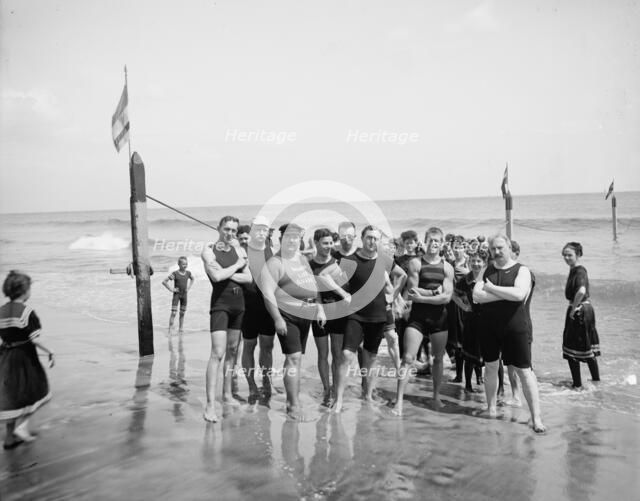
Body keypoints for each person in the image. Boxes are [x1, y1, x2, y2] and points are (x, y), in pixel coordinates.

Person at [473, 234, 545, 433]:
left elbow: (519, 294)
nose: (496, 252)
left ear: (509, 247)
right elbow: (477, 296)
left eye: (500, 248)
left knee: (524, 371)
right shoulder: (487, 269)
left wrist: (493, 288)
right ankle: (491, 408)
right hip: (489, 326)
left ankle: (535, 417)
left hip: (515, 327)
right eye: (493, 249)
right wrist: (504, 293)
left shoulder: (522, 270)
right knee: (490, 367)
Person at [261, 223, 326, 420]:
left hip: (306, 314)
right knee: (293, 358)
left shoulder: (302, 259)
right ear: (281, 239)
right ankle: (292, 406)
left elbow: (313, 285)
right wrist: (278, 319)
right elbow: (268, 294)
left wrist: (320, 307)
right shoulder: (275, 263)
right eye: (288, 237)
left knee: (297, 360)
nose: (292, 240)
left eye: (296, 237)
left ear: (300, 240)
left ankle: (294, 398)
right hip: (287, 315)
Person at [394, 227, 454, 415]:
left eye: (437, 241)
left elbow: (446, 298)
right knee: (408, 358)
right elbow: (412, 291)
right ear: (425, 242)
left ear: (441, 243)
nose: (433, 244)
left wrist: (424, 297)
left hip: (439, 319)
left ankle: (436, 397)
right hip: (417, 319)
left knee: (437, 360)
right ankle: (399, 401)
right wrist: (434, 292)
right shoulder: (415, 263)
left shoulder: (447, 267)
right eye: (430, 240)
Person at [332, 226, 390, 412]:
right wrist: (344, 294)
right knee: (346, 355)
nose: (372, 241)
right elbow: (329, 279)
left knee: (370, 358)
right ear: (362, 239)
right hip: (356, 314)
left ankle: (368, 396)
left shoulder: (384, 261)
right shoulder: (350, 260)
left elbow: (396, 280)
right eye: (368, 238)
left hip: (378, 315)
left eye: (375, 238)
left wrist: (393, 298)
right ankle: (338, 399)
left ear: (379, 241)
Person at [201, 216, 252, 422]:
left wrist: (228, 272)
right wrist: (238, 265)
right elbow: (216, 277)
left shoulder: (239, 250)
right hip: (220, 306)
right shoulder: (208, 249)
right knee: (217, 353)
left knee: (232, 352)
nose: (230, 233)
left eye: (233, 230)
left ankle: (227, 394)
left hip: (238, 306)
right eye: (227, 229)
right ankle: (210, 405)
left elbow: (248, 278)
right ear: (218, 228)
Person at [0, 271, 54, 449]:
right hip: (24, 358)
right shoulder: (27, 312)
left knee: (11, 398)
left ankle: (9, 438)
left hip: (6, 356)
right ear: (24, 291)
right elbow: (35, 339)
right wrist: (50, 351)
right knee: (34, 391)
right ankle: (22, 428)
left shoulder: (1, 311)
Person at [309, 228, 351, 405]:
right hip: (319, 313)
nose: (328, 246)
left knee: (337, 354)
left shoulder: (339, 262)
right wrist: (319, 309)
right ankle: (327, 389)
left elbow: (347, 287)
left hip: (339, 313)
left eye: (330, 243)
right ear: (316, 243)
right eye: (324, 243)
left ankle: (335, 389)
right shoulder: (309, 265)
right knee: (322, 354)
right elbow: (313, 290)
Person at [241, 216, 277, 402]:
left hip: (267, 307)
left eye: (265, 229)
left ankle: (266, 380)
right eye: (258, 229)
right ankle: (251, 385)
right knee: (249, 346)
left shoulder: (272, 251)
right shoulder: (244, 250)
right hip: (247, 306)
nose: (261, 232)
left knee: (267, 347)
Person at [561, 242, 600, 388]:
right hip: (585, 309)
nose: (566, 257)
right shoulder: (574, 270)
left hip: (580, 310)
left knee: (572, 350)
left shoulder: (579, 270)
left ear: (578, 255)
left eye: (569, 255)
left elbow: (582, 291)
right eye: (564, 255)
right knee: (586, 348)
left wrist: (573, 308)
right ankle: (596, 382)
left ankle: (577, 385)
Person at [453, 251, 486, 392]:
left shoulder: (488, 277)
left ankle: (481, 379)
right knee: (469, 352)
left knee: (486, 352)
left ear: (484, 263)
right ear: (469, 262)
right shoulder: (466, 279)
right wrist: (464, 306)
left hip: (487, 320)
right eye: (473, 261)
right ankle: (468, 385)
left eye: (478, 261)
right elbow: (454, 295)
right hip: (471, 319)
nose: (475, 264)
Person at [162, 256, 195, 334]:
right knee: (174, 312)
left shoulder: (188, 273)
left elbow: (193, 279)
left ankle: (181, 329)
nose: (185, 265)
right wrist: (171, 289)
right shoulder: (175, 274)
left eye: (186, 264)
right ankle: (170, 329)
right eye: (183, 264)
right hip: (176, 295)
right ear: (179, 264)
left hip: (184, 295)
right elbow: (164, 282)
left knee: (182, 313)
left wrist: (189, 287)